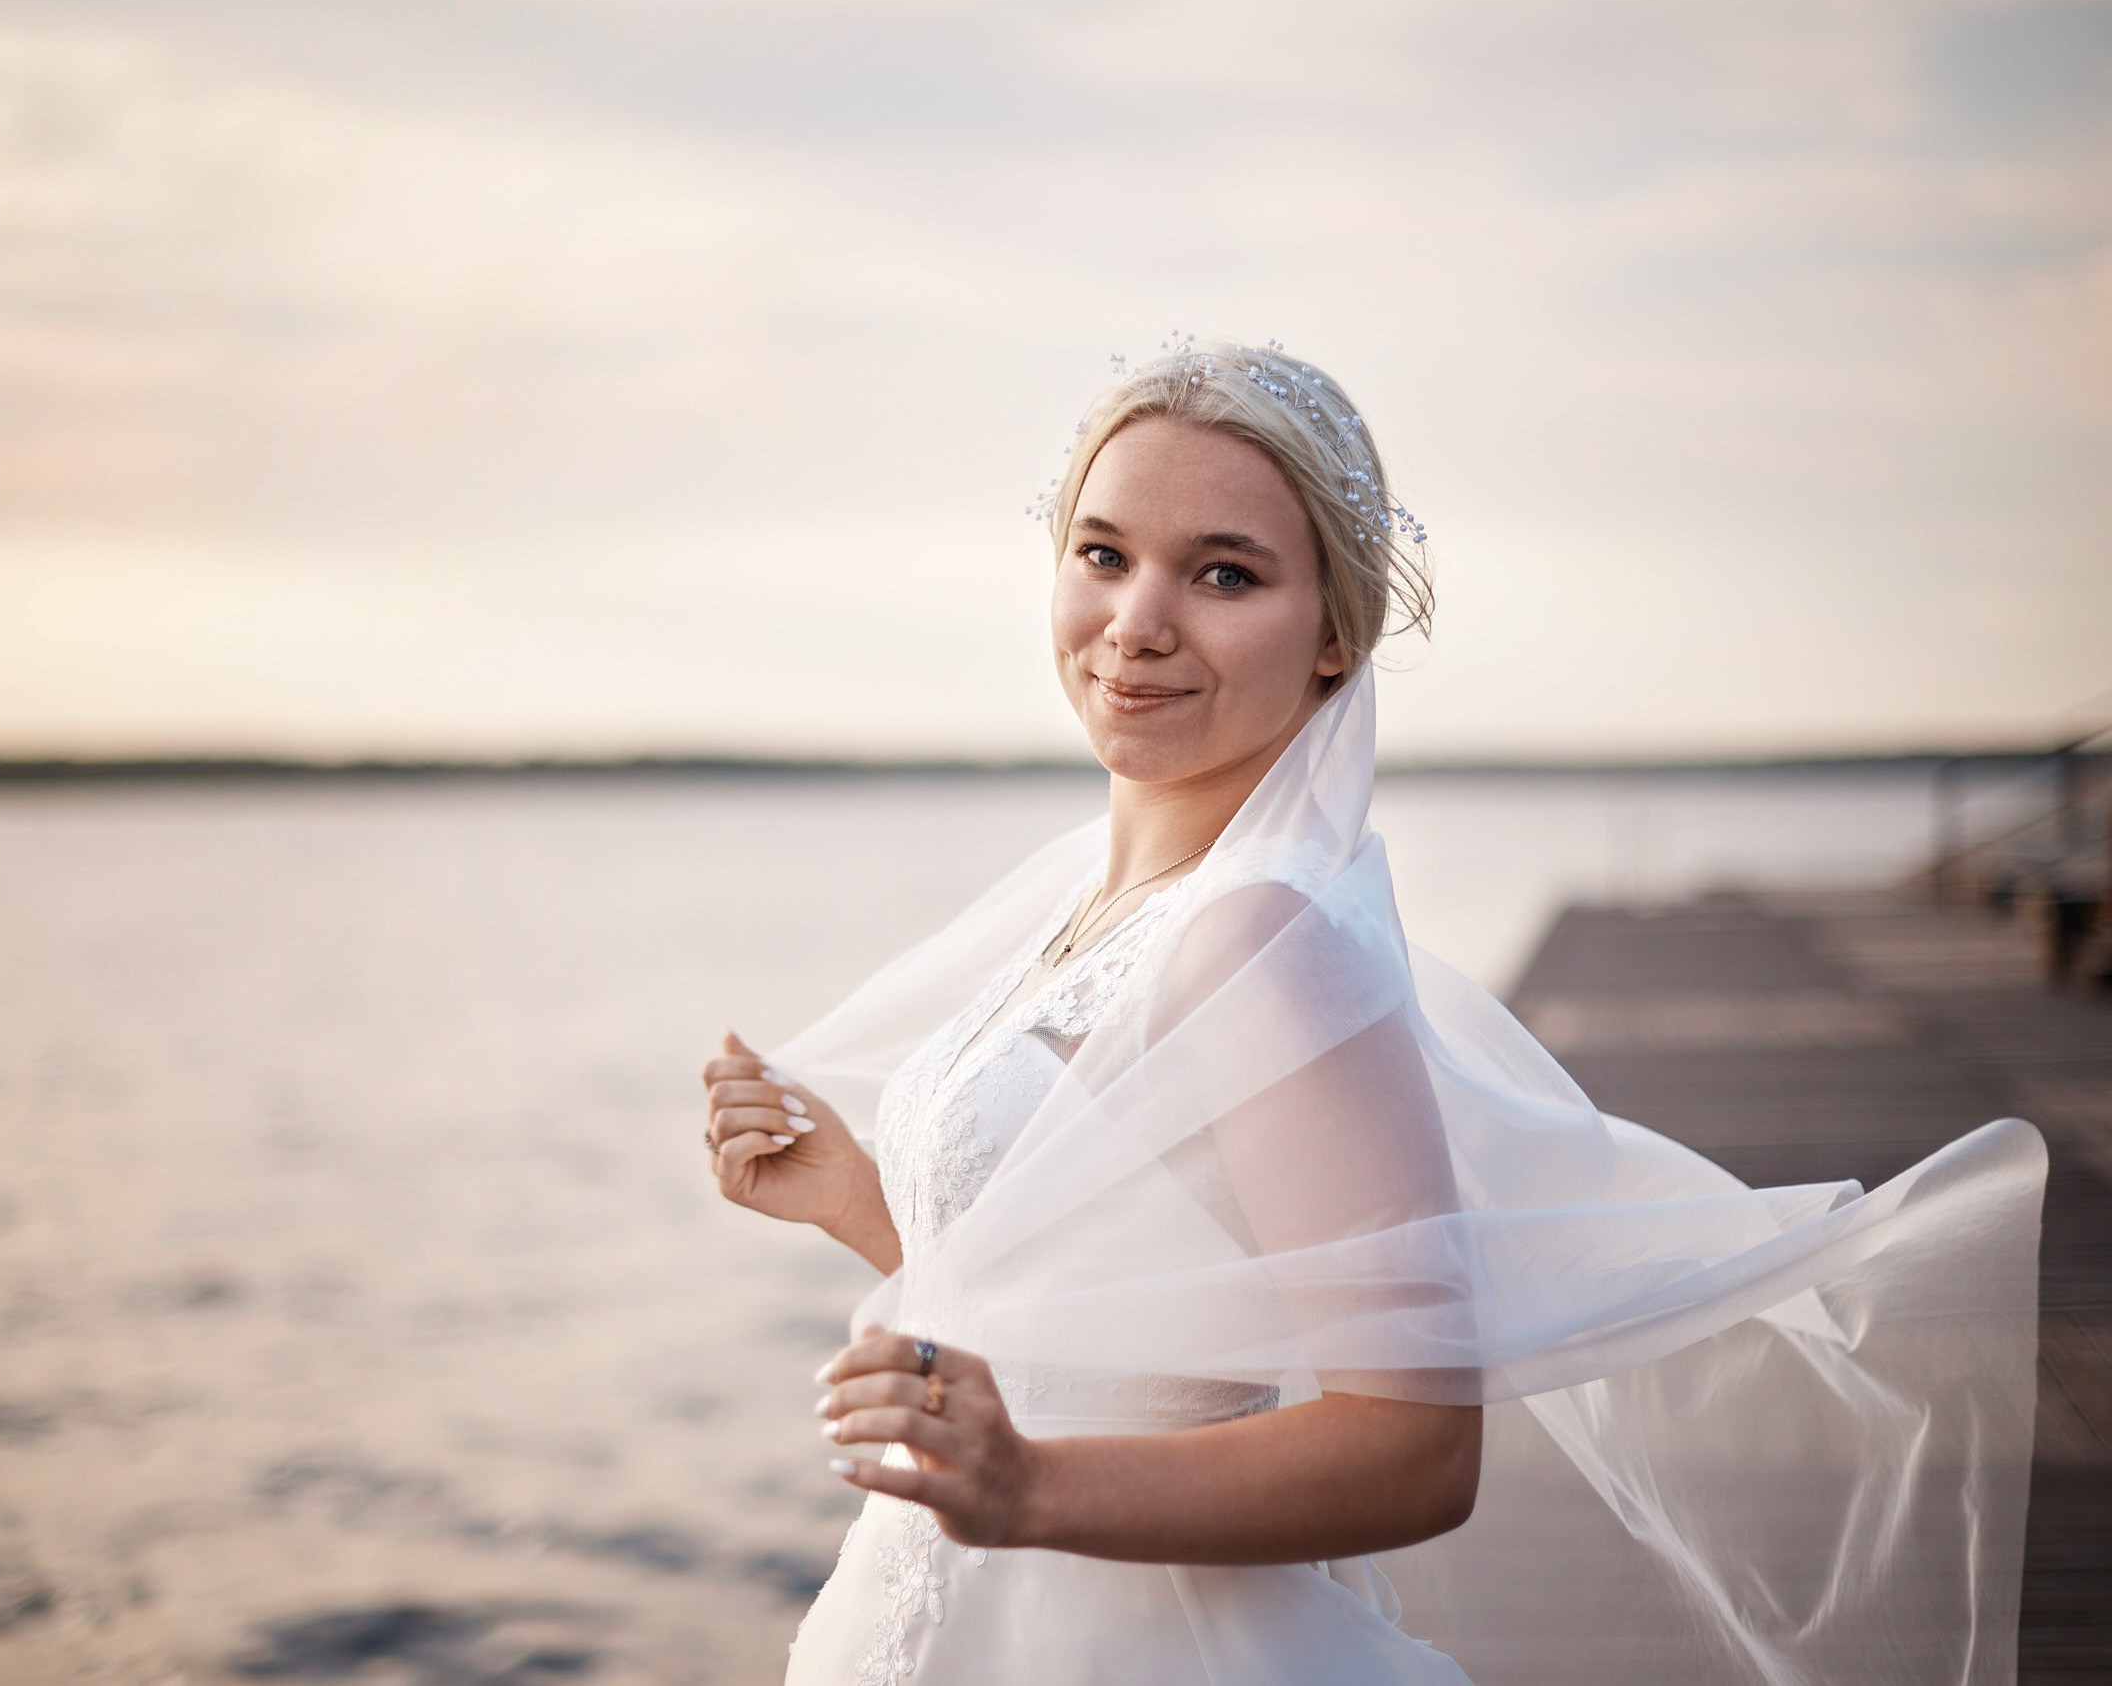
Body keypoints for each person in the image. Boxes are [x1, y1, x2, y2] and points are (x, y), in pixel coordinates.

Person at [699, 337, 2043, 1685]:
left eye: (1224, 572)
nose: (1140, 620)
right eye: (1104, 554)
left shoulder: (1264, 936)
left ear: (1335, 629)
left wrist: (1030, 1488)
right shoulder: (1097, 901)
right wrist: (853, 1195)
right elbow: (1103, 1316)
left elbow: (1413, 1442)